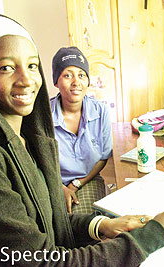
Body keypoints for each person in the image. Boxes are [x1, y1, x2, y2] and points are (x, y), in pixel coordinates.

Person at [0, 12, 164, 266]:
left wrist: (102, 224)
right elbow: (39, 261)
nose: (26, 80)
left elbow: (51, 220)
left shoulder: (27, 136)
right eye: (6, 67)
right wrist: (150, 238)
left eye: (31, 65)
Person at [50, 46, 111, 214]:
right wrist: (61, 187)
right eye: (67, 75)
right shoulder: (44, 116)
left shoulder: (101, 111)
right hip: (52, 183)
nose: (76, 82)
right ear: (56, 81)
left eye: (81, 75)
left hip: (87, 180)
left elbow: (103, 158)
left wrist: (75, 184)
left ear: (88, 81)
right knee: (54, 223)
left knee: (86, 222)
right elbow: (40, 164)